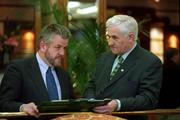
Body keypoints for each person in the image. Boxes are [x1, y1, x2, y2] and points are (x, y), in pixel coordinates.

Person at [83, 15, 162, 117]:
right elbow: (91, 86)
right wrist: (91, 101)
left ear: (131, 37)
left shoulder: (150, 62)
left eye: (115, 37)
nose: (110, 43)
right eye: (108, 37)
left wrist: (118, 104)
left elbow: (148, 99)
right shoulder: (104, 58)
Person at [0, 23, 74, 118]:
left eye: (64, 48)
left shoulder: (64, 75)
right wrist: (22, 107)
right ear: (43, 46)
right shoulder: (18, 69)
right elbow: (3, 103)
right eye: (58, 47)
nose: (62, 53)